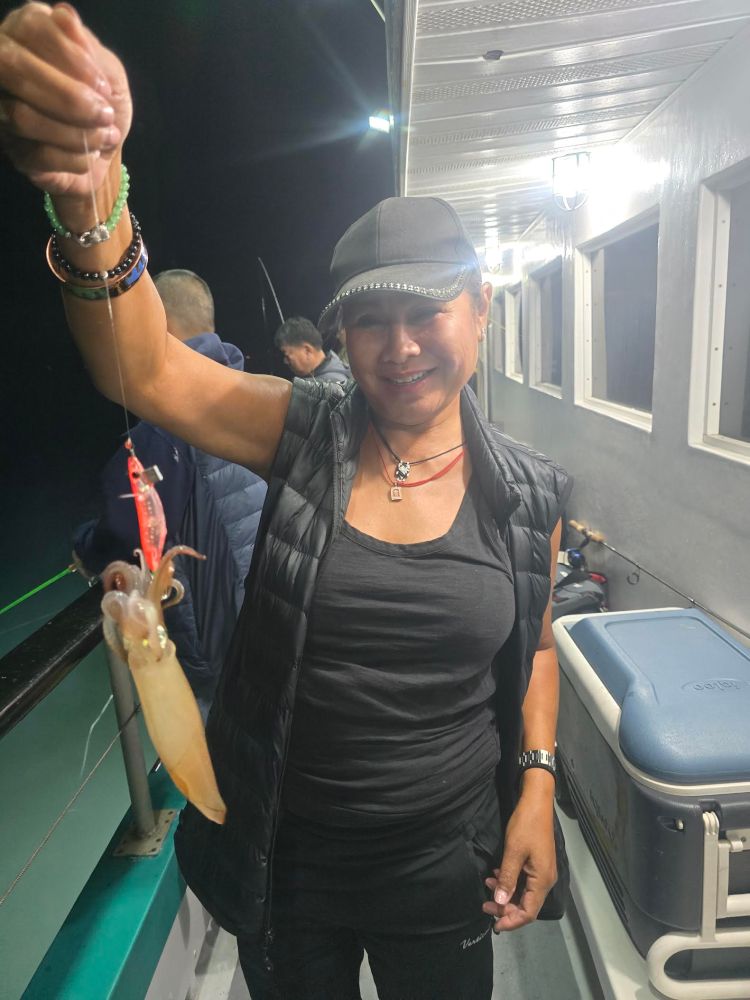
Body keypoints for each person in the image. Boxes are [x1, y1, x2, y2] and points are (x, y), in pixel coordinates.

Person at [0, 8, 572, 998]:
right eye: (370, 321)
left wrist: (536, 785)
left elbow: (540, 647)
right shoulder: (300, 432)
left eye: (428, 311)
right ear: (343, 339)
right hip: (286, 865)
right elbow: (138, 361)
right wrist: (93, 188)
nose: (400, 348)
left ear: (480, 312)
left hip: (446, 865)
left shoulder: (531, 493)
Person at [73, 269, 268, 716]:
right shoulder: (258, 394)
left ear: (156, 324)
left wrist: (86, 545)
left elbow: (121, 533)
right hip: (269, 635)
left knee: (216, 773)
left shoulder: (164, 427)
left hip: (219, 659)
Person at [274, 314, 351, 383]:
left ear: (307, 351)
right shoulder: (339, 372)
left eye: (287, 355)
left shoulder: (327, 388)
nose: (285, 361)